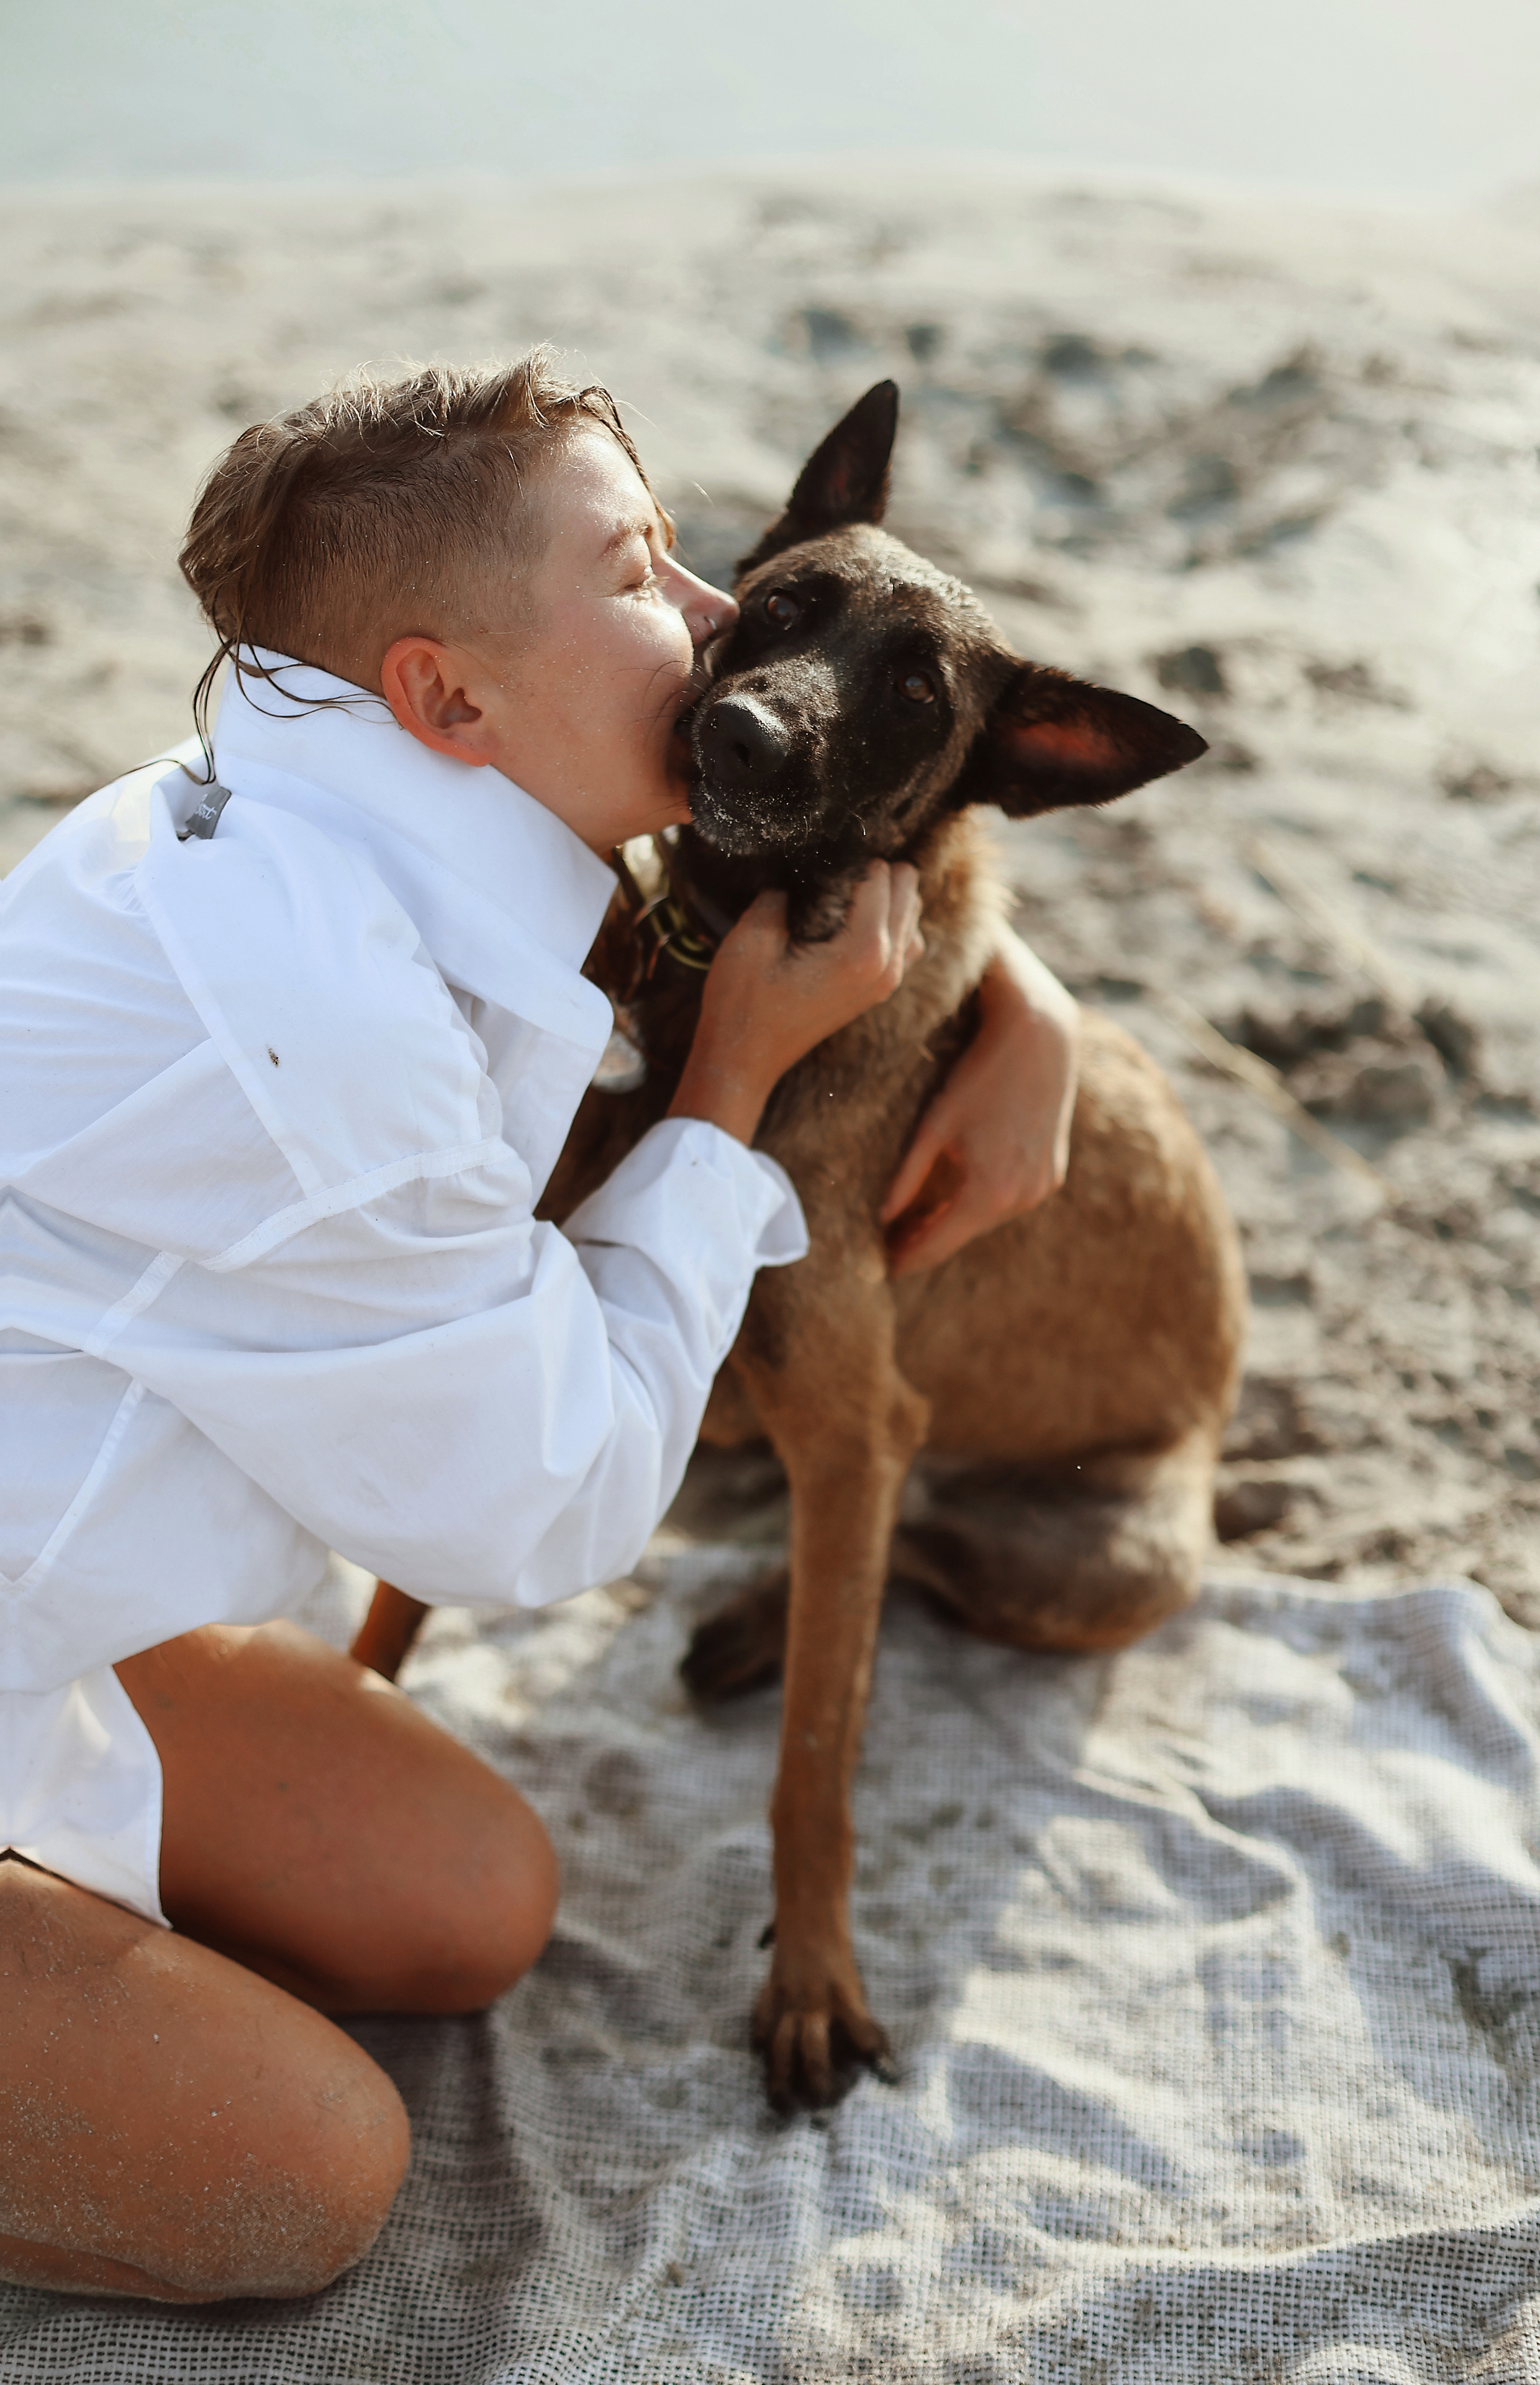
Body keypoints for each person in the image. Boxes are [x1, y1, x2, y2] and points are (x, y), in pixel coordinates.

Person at [0, 355, 1080, 2303]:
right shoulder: (318, 1039)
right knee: (305, 2181)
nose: (719, 614)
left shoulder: (329, 801)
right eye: (645, 570)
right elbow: (548, 1509)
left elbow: (853, 780)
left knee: (468, 1906)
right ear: (447, 694)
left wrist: (1023, 997)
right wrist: (731, 1085)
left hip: (42, 1605)